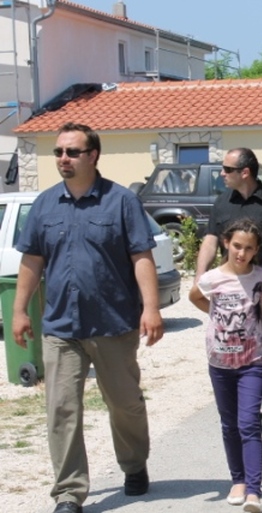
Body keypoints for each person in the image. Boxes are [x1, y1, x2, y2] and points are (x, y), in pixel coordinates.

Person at [11, 122, 164, 513]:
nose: (63, 158)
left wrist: (151, 308)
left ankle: (133, 464)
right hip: (61, 326)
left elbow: (141, 256)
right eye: (59, 152)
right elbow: (31, 260)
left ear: (93, 155)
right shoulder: (44, 204)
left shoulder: (121, 202)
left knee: (125, 404)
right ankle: (68, 492)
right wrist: (19, 311)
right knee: (61, 410)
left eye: (71, 152)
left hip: (114, 323)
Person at [195, 147, 262, 440]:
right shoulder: (222, 202)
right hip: (233, 290)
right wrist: (201, 276)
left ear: (245, 172)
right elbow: (211, 240)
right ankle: (248, 409)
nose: (222, 174)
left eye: (227, 169)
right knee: (241, 350)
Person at [189, 218, 262, 512]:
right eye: (237, 246)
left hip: (251, 361)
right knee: (229, 425)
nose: (241, 253)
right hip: (219, 361)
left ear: (256, 251)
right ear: (226, 243)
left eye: (249, 249)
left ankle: (254, 490)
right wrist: (216, 314)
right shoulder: (211, 279)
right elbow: (197, 298)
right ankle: (238, 480)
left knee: (249, 423)